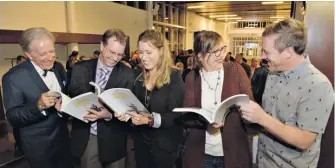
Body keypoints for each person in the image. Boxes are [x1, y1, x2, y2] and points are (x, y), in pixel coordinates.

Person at [239, 18, 334, 168]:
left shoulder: (318, 85)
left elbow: (304, 140)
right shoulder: (272, 73)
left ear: (288, 52)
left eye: (266, 52)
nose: (262, 57)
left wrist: (262, 118)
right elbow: (269, 121)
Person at [179, 30, 254, 168]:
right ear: (200, 56)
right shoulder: (192, 77)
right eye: (214, 52)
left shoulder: (235, 70)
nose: (221, 55)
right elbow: (187, 116)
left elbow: (251, 106)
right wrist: (205, 120)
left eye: (222, 49)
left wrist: (231, 117)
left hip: (233, 151)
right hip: (201, 152)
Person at [2, 27, 72, 168]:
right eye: (43, 54)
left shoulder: (58, 67)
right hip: (38, 145)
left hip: (63, 138)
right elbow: (13, 116)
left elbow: (65, 94)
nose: (51, 57)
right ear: (29, 54)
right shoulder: (13, 78)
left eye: (52, 51)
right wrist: (39, 106)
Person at [116, 29, 184, 168]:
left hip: (165, 147)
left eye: (149, 52)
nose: (143, 57)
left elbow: (176, 114)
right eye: (140, 52)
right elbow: (134, 106)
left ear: (161, 51)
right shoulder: (138, 76)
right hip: (141, 144)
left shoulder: (174, 77)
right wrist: (127, 114)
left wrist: (150, 120)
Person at [67, 29, 135, 168]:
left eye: (120, 55)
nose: (115, 58)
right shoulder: (79, 68)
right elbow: (72, 96)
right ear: (102, 46)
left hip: (114, 138)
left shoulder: (128, 74)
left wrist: (109, 115)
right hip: (87, 136)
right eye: (111, 52)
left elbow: (130, 111)